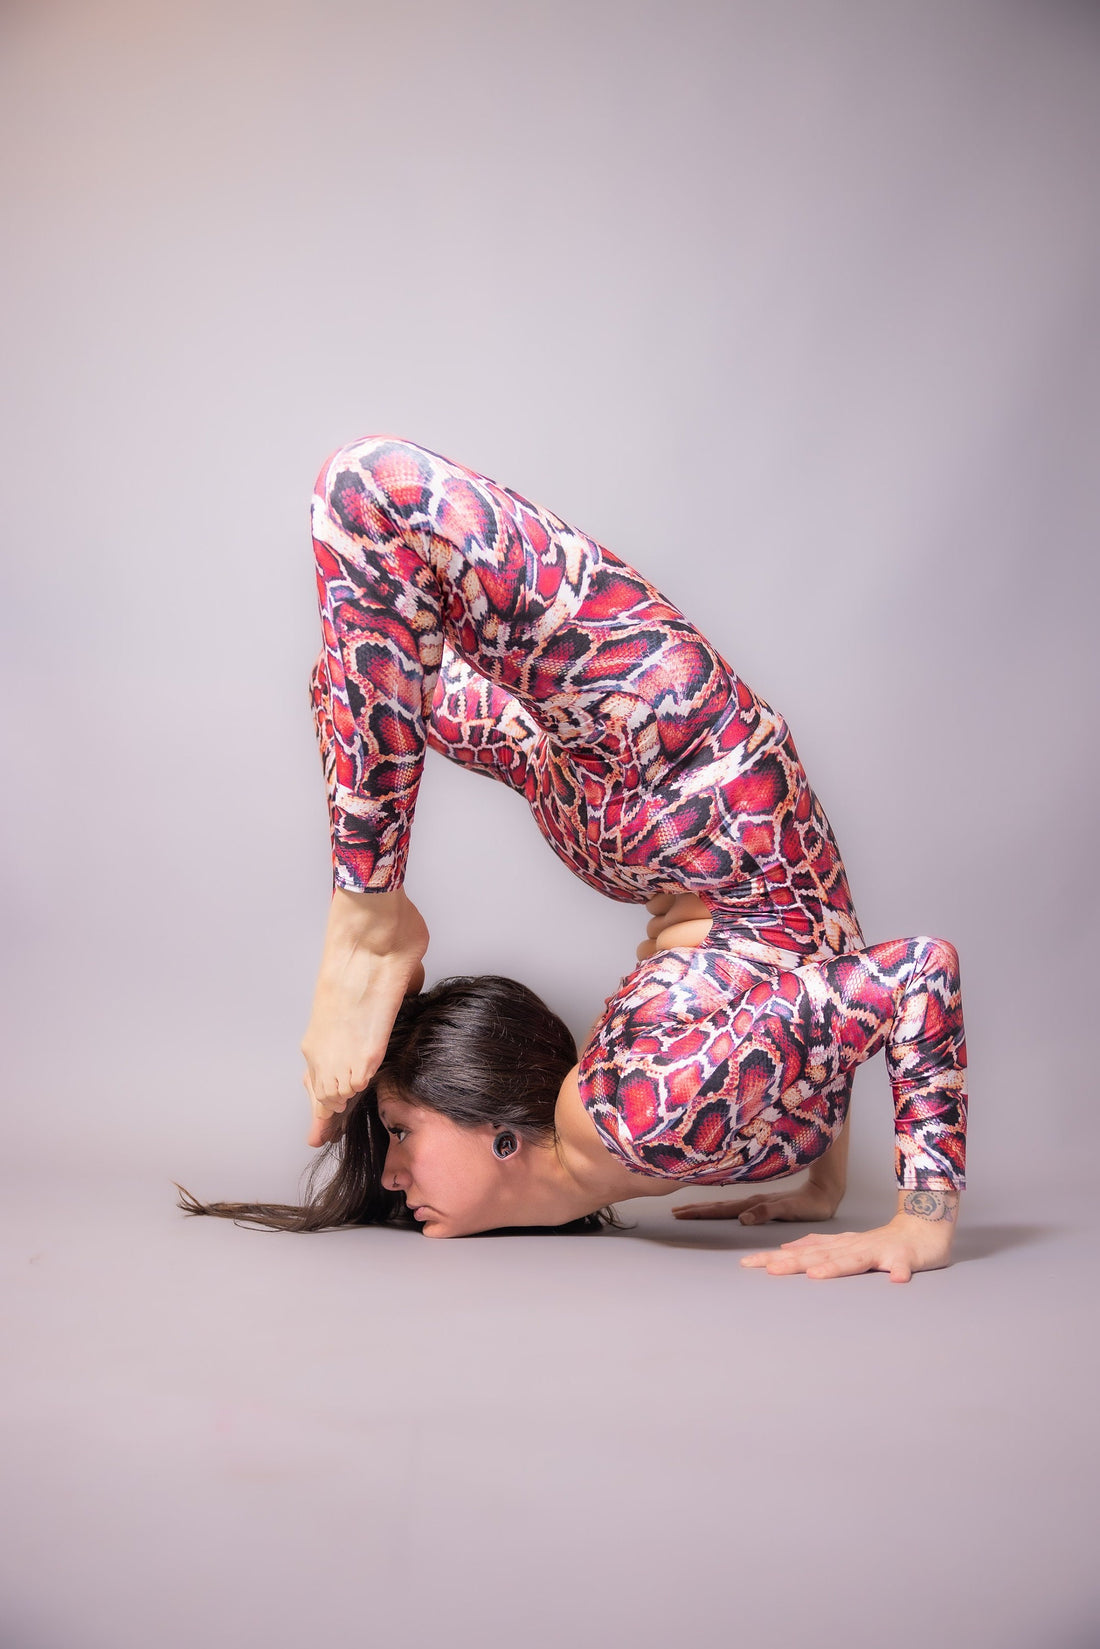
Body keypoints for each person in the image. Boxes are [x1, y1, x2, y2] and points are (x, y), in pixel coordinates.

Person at [177, 434, 968, 1282]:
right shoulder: (650, 1119)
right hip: (682, 793)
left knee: (370, 525)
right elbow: (874, 982)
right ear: (505, 1136)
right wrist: (832, 1186)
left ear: (501, 1132)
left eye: (400, 1132)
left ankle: (370, 923)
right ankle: (371, 916)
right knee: (366, 620)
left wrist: (912, 1218)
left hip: (670, 794)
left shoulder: (631, 1119)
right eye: (397, 1133)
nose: (392, 1176)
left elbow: (881, 981)